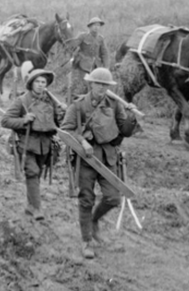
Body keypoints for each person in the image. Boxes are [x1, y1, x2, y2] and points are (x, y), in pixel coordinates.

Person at [59, 67, 138, 259]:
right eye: (98, 84)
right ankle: (86, 241)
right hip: (85, 159)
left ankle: (94, 220)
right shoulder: (78, 105)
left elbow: (125, 131)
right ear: (91, 84)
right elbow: (65, 130)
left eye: (105, 85)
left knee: (113, 198)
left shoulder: (115, 105)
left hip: (108, 157)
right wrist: (82, 141)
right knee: (86, 199)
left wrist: (131, 117)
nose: (101, 88)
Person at [0, 69, 65, 220]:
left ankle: (30, 206)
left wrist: (63, 113)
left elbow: (59, 124)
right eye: (37, 82)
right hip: (26, 144)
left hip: (45, 145)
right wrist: (24, 120)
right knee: (32, 172)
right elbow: (5, 121)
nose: (41, 85)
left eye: (43, 82)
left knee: (36, 174)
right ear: (31, 83)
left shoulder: (51, 101)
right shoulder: (22, 100)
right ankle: (37, 208)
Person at [69, 17, 110, 98]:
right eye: (94, 25)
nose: (96, 27)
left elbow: (104, 53)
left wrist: (106, 67)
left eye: (98, 25)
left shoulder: (100, 39)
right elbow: (73, 46)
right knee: (85, 83)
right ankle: (80, 97)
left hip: (96, 66)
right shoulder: (83, 36)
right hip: (83, 65)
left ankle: (92, 99)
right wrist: (74, 54)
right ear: (90, 27)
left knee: (95, 84)